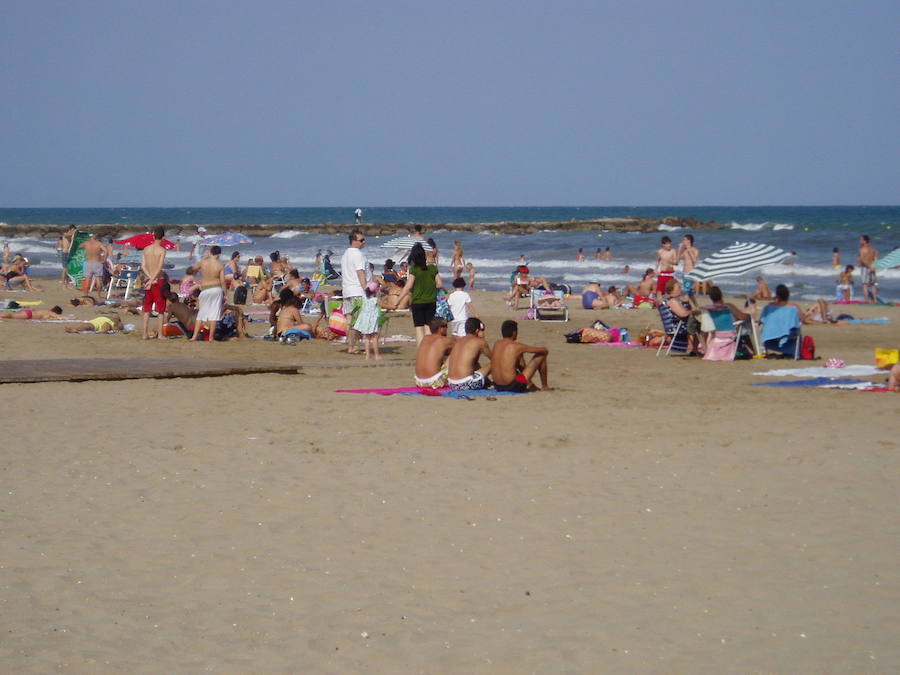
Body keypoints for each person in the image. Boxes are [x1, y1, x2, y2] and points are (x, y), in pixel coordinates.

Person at [394, 242, 441, 345]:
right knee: (428, 327)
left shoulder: (414, 270)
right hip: (431, 301)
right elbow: (439, 284)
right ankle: (429, 350)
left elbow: (408, 287)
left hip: (418, 302)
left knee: (419, 329)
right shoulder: (433, 268)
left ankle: (421, 352)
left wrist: (398, 300)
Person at [491, 320, 549, 392]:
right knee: (541, 354)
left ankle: (530, 384)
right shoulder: (516, 346)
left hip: (497, 385)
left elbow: (521, 366)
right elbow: (543, 350)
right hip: (513, 386)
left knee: (518, 356)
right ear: (514, 333)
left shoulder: (496, 344)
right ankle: (545, 387)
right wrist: (545, 349)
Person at [340, 229, 369, 353]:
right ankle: (354, 345)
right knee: (357, 321)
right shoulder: (357, 254)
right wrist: (367, 289)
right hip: (357, 291)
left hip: (347, 290)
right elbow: (360, 273)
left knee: (350, 320)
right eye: (361, 240)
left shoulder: (346, 254)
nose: (364, 242)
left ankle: (351, 346)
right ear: (354, 241)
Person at [447, 318, 492, 391]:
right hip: (466, 384)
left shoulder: (458, 341)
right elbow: (494, 358)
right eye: (482, 330)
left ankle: (487, 382)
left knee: (473, 362)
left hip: (451, 383)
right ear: (477, 331)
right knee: (495, 362)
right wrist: (482, 339)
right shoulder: (480, 342)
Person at [192, 244, 225, 342]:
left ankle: (194, 336)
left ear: (210, 253)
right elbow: (223, 281)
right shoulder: (220, 265)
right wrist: (226, 294)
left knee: (201, 314)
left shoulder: (203, 262)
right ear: (219, 254)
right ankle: (211, 337)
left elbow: (192, 270)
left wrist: (197, 281)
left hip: (205, 288)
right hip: (216, 288)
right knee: (214, 314)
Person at [140, 227, 169, 340]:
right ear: (162, 238)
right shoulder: (162, 250)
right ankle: (160, 334)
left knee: (147, 308)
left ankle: (144, 334)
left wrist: (149, 278)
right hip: (158, 280)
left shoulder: (146, 249)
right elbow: (160, 267)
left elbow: (143, 266)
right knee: (160, 310)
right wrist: (153, 280)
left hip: (149, 279)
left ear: (153, 236)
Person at [413, 317, 454, 388]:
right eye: (446, 327)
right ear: (441, 328)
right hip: (434, 382)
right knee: (456, 352)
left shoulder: (425, 339)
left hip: (419, 381)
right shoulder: (444, 340)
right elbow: (461, 348)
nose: (447, 330)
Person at [664, 278, 702, 355]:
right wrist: (694, 311)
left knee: (700, 324)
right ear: (672, 290)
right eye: (678, 287)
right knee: (702, 327)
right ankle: (698, 349)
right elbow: (683, 314)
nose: (680, 288)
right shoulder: (673, 301)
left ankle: (696, 350)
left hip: (680, 323)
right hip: (679, 325)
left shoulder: (676, 300)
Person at [353, 283, 382, 360]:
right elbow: (382, 304)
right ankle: (376, 355)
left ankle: (367, 355)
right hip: (372, 320)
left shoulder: (364, 297)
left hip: (364, 319)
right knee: (374, 338)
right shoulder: (375, 300)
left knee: (367, 338)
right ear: (375, 291)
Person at [857, 235, 878, 303]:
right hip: (872, 267)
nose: (859, 241)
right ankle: (875, 299)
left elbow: (863, 260)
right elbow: (875, 259)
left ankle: (867, 300)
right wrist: (874, 267)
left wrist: (869, 266)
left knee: (864, 284)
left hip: (865, 267)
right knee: (873, 284)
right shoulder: (873, 249)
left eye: (861, 240)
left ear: (865, 241)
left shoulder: (862, 249)